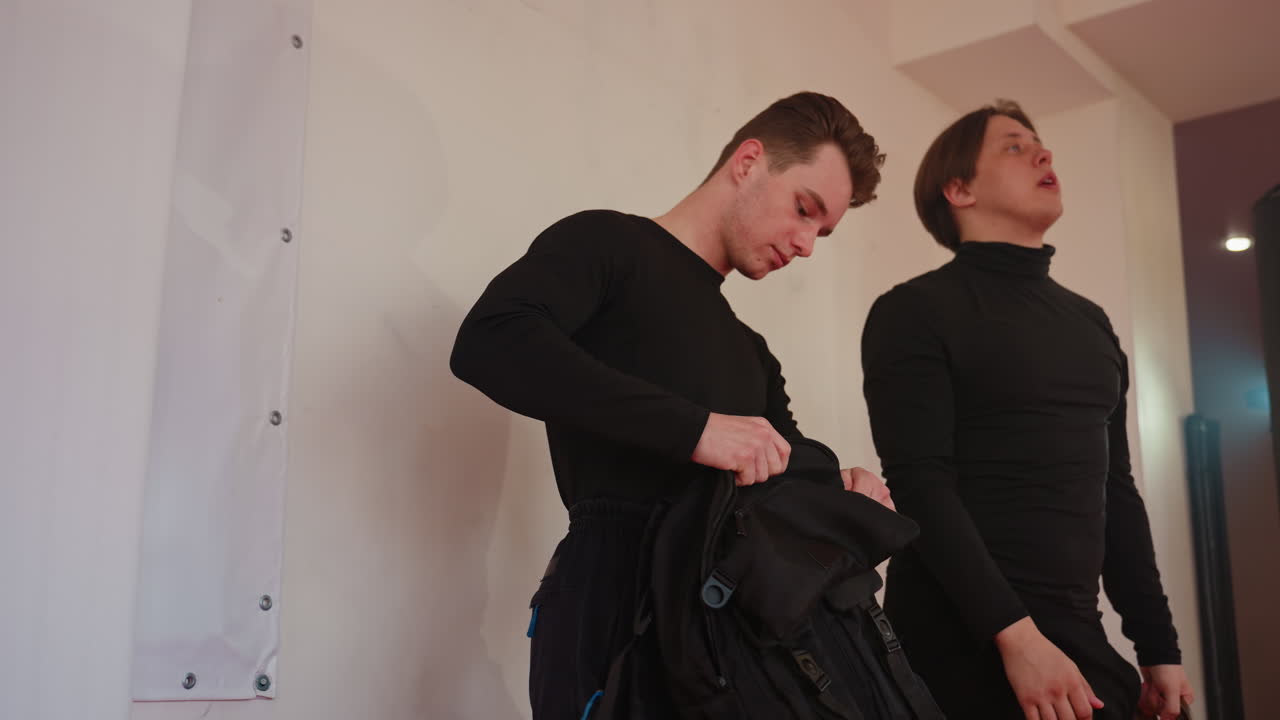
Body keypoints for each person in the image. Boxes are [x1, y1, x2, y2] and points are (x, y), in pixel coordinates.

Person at [450, 91, 888, 719]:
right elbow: (490, 340)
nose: (807, 244)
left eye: (822, 231)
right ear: (748, 162)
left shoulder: (752, 353)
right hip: (609, 609)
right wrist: (694, 430)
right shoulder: (608, 243)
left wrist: (840, 486)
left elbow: (778, 477)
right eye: (803, 209)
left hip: (721, 638)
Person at [861, 99, 1195, 720]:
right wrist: (1015, 637)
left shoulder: (1090, 323)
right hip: (960, 640)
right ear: (959, 189)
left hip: (1073, 631)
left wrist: (1158, 647)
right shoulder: (912, 311)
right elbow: (920, 485)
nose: (1043, 153)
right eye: (1014, 146)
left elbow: (1116, 492)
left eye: (1039, 143)